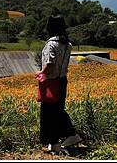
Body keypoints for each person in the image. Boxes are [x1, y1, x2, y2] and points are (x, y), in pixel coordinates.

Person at [36, 15, 82, 152]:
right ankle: (54, 143)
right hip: (62, 81)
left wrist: (42, 72)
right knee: (57, 111)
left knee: (49, 113)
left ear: (50, 28)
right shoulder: (67, 44)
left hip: (51, 82)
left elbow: (50, 64)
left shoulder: (51, 44)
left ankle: (71, 134)